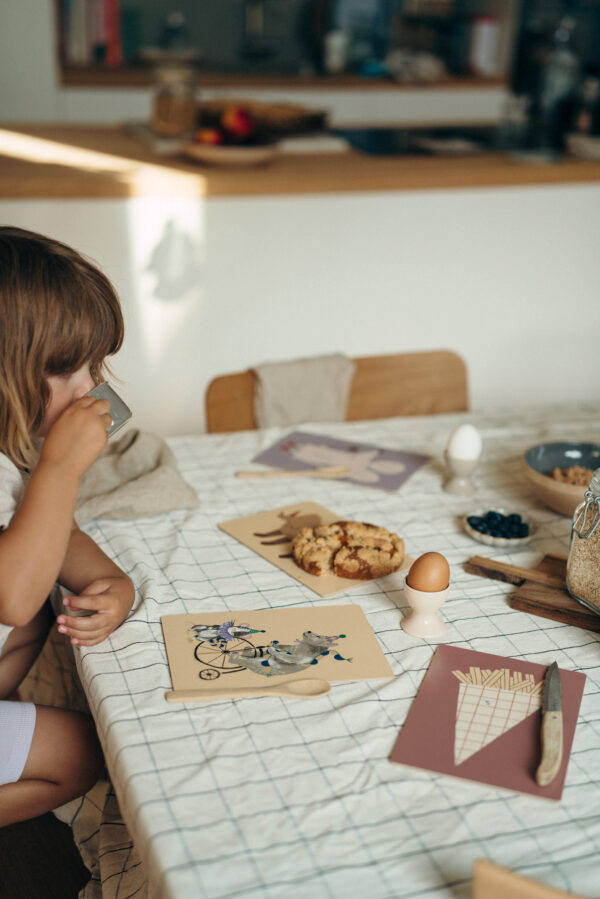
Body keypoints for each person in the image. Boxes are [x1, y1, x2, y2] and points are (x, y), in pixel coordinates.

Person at [0, 226, 135, 827]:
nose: (90, 388)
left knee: (36, 628)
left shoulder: (14, 452)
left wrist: (114, 583)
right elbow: (14, 595)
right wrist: (60, 465)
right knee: (83, 753)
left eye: (95, 365)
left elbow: (50, 533)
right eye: (65, 370)